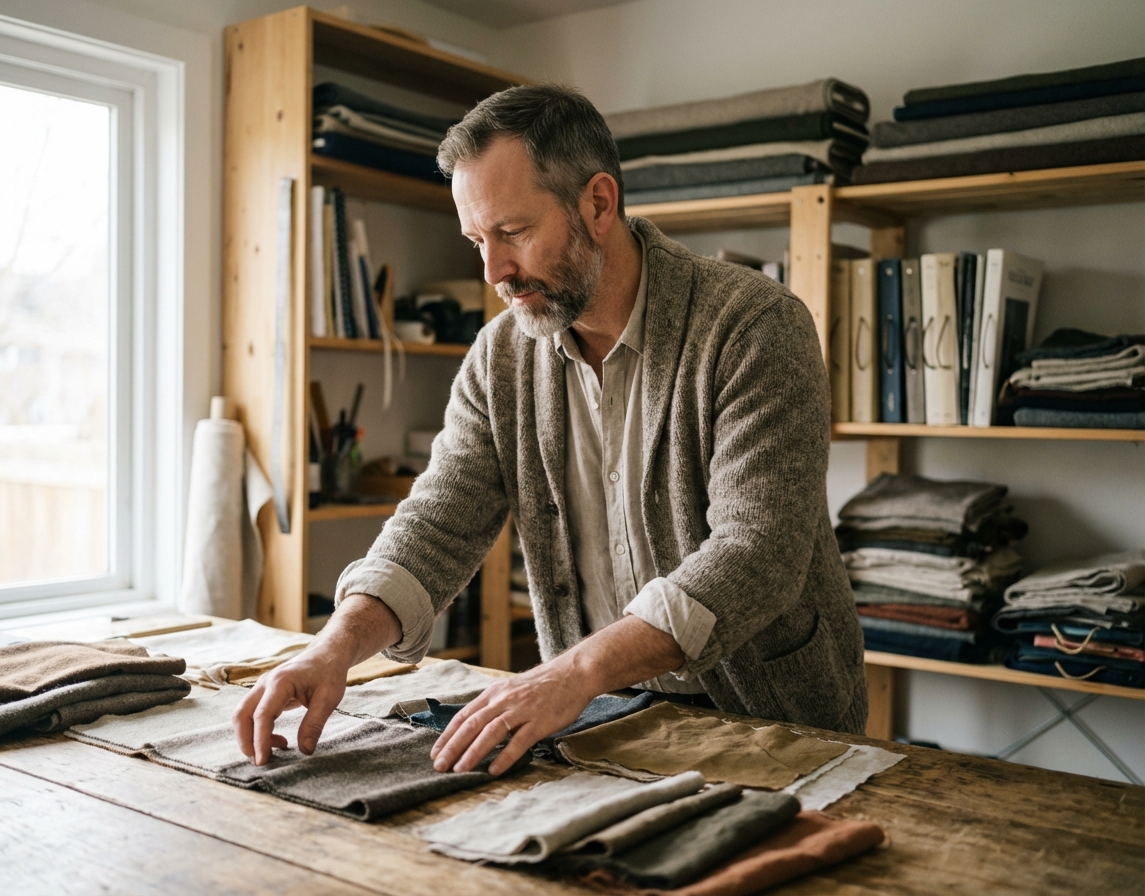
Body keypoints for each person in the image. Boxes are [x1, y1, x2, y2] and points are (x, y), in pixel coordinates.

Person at [233, 83, 867, 775]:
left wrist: (570, 674)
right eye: (477, 240)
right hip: (603, 723)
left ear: (598, 203)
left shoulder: (755, 325)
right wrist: (335, 647)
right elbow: (438, 524)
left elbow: (758, 553)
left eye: (513, 232)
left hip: (777, 725)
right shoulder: (499, 356)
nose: (494, 272)